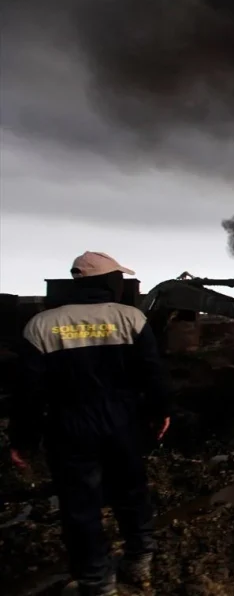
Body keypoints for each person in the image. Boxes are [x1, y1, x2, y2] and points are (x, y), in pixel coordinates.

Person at [9, 252, 171, 596]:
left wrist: (23, 439)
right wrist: (160, 411)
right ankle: (139, 560)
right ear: (107, 282)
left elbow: (27, 392)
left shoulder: (42, 325)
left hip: (70, 427)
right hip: (123, 423)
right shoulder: (131, 318)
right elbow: (152, 373)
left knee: (80, 505)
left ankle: (98, 584)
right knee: (132, 492)